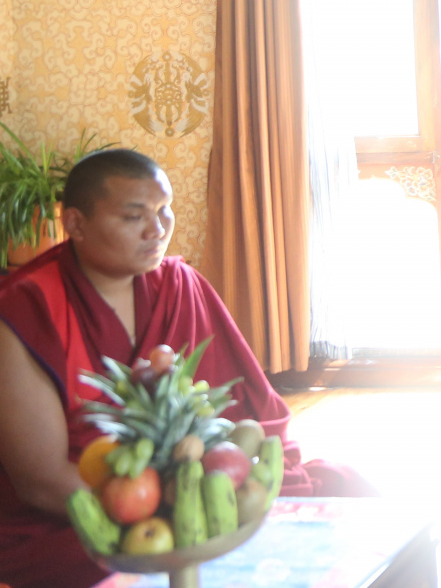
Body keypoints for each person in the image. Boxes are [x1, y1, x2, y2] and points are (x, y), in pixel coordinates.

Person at [0, 150, 371, 588]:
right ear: (76, 224)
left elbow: (243, 409)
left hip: (197, 475)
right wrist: (160, 512)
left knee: (349, 489)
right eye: (134, 217)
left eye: (164, 210)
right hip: (85, 507)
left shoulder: (179, 285)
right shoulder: (26, 310)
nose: (157, 230)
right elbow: (41, 480)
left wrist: (211, 492)